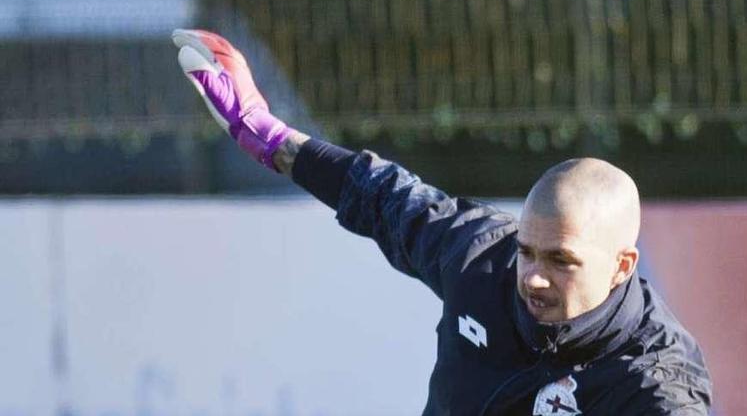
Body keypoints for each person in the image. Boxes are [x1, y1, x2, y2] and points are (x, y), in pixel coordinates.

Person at [171, 29, 713, 415]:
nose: (533, 277)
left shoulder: (655, 385)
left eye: (561, 260)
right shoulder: (481, 257)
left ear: (622, 266)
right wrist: (268, 138)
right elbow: (383, 196)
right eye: (527, 250)